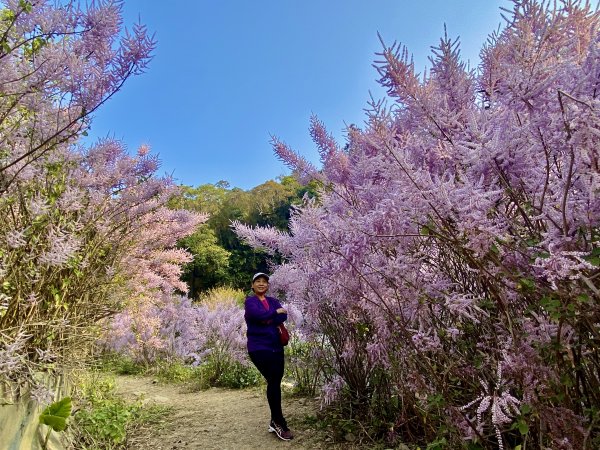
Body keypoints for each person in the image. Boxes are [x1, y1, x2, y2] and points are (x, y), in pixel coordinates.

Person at [244, 272, 294, 441]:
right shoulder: (250, 301)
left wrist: (269, 317)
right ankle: (279, 422)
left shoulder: (272, 301)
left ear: (268, 286)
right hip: (259, 348)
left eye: (264, 281)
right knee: (273, 381)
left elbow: (283, 315)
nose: (261, 284)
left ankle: (275, 421)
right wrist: (273, 315)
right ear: (252, 285)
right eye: (258, 281)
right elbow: (258, 316)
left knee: (275, 382)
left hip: (276, 347)